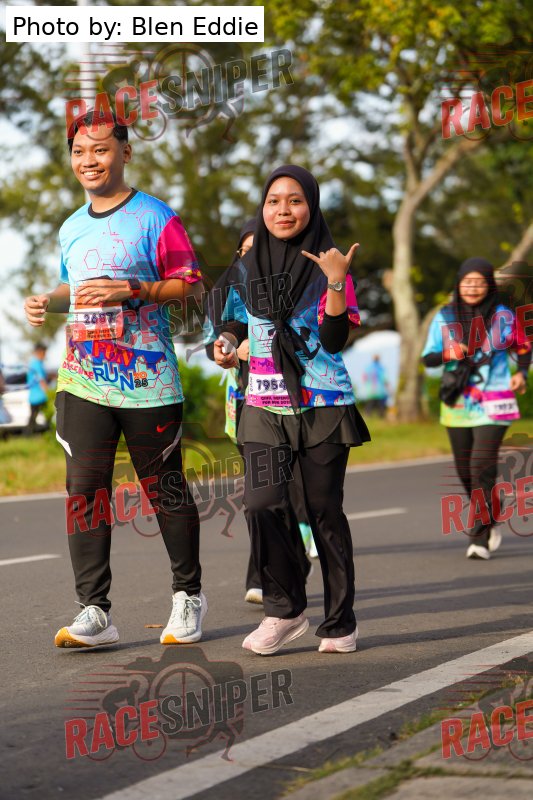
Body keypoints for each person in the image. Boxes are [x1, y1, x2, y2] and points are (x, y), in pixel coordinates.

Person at [23, 111, 206, 648]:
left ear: (125, 152)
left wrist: (133, 289)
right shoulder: (71, 226)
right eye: (79, 152)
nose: (89, 161)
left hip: (147, 379)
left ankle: (188, 596)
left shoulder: (156, 216)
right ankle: (94, 611)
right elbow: (75, 287)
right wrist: (48, 300)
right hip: (83, 379)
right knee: (85, 491)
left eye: (100, 150)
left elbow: (190, 284)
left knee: (164, 489)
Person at [214, 165, 370, 655]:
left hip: (322, 403)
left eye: (295, 200)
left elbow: (334, 339)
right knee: (261, 503)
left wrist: (336, 284)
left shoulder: (331, 264)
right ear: (263, 208)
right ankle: (283, 611)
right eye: (274, 201)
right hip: (262, 402)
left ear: (311, 207)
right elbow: (231, 324)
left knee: (324, 511)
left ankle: (340, 620)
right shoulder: (245, 269)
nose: (283, 210)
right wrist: (225, 344)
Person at [205, 220, 315, 607]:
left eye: (261, 247)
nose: (253, 256)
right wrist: (229, 350)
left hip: (299, 401)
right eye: (245, 250)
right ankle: (270, 572)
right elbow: (217, 339)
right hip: (247, 402)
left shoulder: (297, 282)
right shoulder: (229, 290)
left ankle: (281, 567)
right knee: (261, 494)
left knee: (290, 492)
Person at [422, 257, 531, 560]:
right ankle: (491, 513)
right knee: (465, 471)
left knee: (480, 466)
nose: (472, 288)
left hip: (496, 401)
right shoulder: (444, 316)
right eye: (467, 282)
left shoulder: (503, 316)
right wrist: (450, 352)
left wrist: (522, 373)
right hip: (457, 404)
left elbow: (523, 346)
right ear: (459, 284)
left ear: (489, 285)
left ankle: (478, 538)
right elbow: (428, 358)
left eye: (479, 282)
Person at [25, 342, 49, 435]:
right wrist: (48, 392)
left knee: (33, 417)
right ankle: (29, 435)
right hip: (39, 396)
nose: (45, 355)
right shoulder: (37, 364)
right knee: (40, 416)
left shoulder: (34, 363)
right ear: (39, 352)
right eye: (44, 353)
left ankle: (29, 435)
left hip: (35, 396)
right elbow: (41, 380)